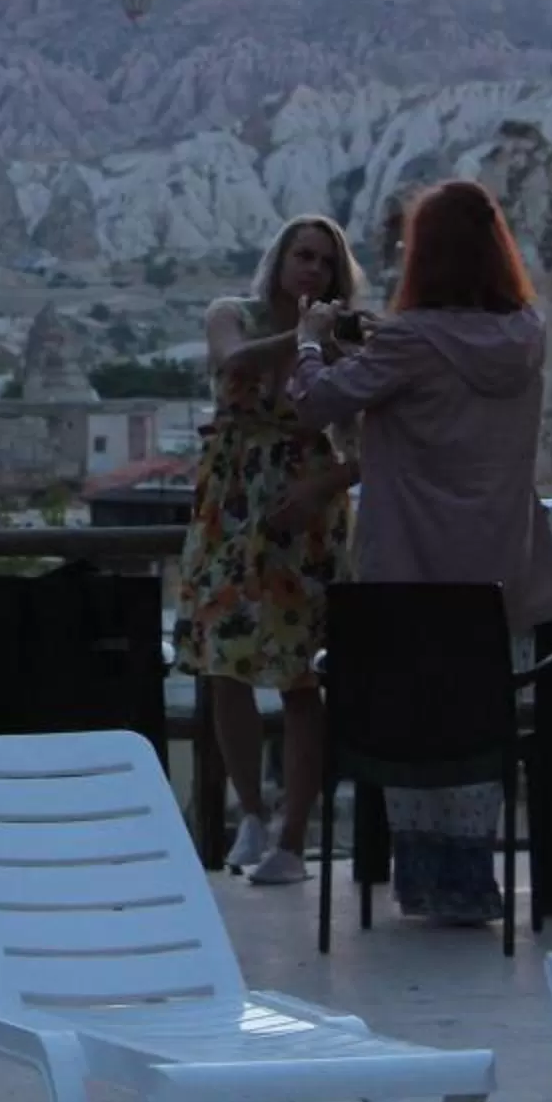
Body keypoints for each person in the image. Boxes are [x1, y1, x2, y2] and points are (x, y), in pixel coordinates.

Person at [285, 176, 552, 924]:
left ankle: (428, 881)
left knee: (414, 725)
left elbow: (317, 403)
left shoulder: (411, 342)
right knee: (480, 723)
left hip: (410, 571)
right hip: (499, 570)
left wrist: (311, 345)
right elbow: (438, 355)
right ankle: (473, 880)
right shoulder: (527, 337)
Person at [172, 216, 362, 885]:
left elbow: (367, 445)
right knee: (224, 666)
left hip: (301, 513)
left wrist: (320, 487)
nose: (310, 268)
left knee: (301, 675)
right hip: (229, 504)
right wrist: (304, 336)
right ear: (279, 260)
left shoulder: (342, 346)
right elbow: (232, 360)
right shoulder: (234, 314)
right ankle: (249, 813)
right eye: (301, 255)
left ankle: (293, 836)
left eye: (324, 261)